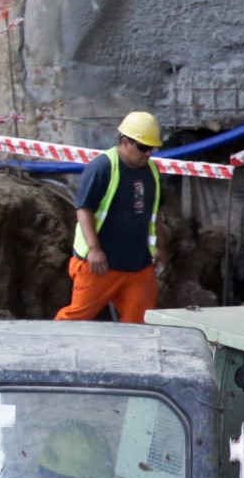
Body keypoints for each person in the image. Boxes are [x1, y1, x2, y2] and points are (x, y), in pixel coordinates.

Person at [57, 111, 165, 324]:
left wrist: (161, 246)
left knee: (140, 324)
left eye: (153, 148)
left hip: (138, 265)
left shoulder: (151, 171)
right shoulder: (103, 167)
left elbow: (156, 212)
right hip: (100, 265)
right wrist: (94, 250)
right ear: (125, 142)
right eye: (143, 148)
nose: (148, 154)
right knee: (75, 320)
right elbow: (84, 209)